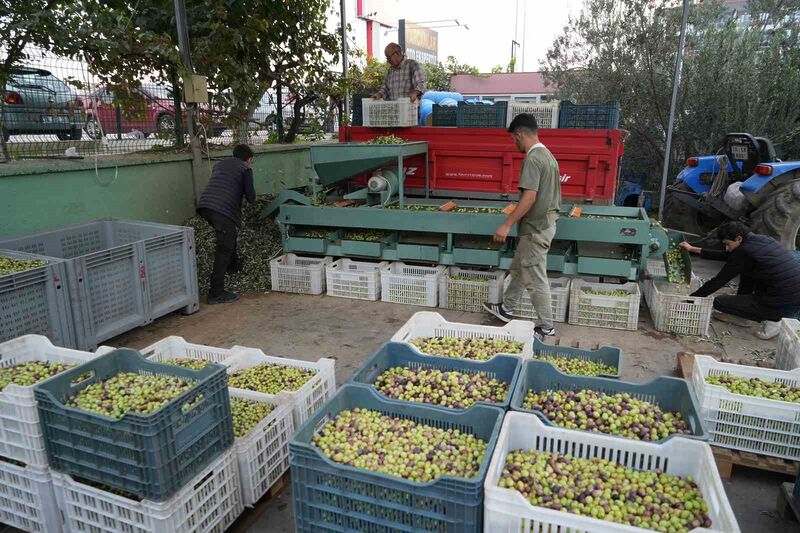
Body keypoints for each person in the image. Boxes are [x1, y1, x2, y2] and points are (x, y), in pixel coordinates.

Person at [483, 114, 561, 337]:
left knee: (535, 279)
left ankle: (547, 327)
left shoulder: (533, 159)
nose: (513, 144)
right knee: (519, 268)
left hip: (535, 230)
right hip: (543, 225)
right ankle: (506, 309)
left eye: (513, 139)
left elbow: (530, 197)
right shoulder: (548, 156)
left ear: (519, 135)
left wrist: (506, 224)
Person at [680, 221, 800, 339]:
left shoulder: (744, 251)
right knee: (747, 271)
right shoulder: (760, 240)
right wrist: (693, 249)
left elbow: (718, 281)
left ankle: (773, 320)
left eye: (727, 244)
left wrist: (692, 299)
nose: (726, 248)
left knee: (719, 302)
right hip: (792, 293)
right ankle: (753, 312)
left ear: (738, 238)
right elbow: (728, 256)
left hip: (781, 300)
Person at [197, 144, 256, 304]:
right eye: (251, 160)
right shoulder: (245, 169)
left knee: (229, 236)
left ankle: (234, 266)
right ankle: (215, 293)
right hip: (222, 211)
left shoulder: (220, 165)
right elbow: (251, 198)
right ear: (249, 159)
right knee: (223, 249)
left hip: (205, 206)